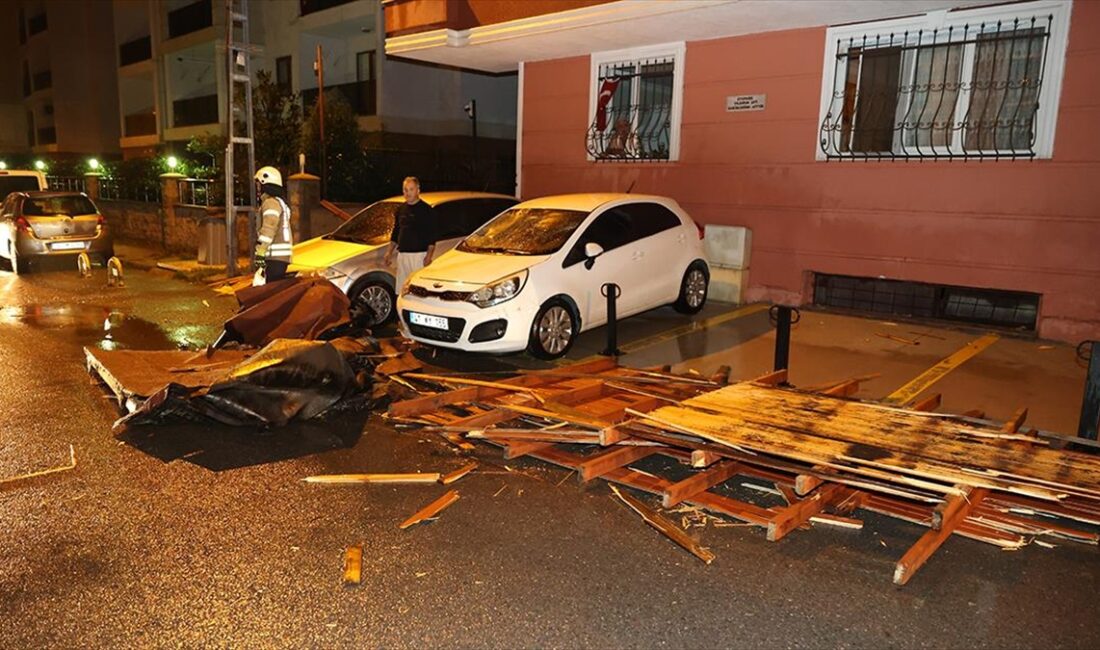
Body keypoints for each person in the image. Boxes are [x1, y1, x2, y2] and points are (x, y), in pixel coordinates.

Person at [384, 176, 437, 293]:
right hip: (403, 256)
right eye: (405, 190)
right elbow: (396, 232)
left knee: (418, 290)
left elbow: (432, 236)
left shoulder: (427, 210)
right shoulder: (401, 210)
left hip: (419, 257)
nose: (408, 193)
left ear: (418, 190)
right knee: (402, 290)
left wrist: (429, 256)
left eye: (411, 189)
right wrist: (389, 252)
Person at [254, 166, 293, 283]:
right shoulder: (280, 202)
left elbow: (269, 228)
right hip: (280, 258)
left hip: (273, 257)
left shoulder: (270, 203)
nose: (257, 188)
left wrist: (260, 252)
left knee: (270, 290)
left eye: (258, 184)